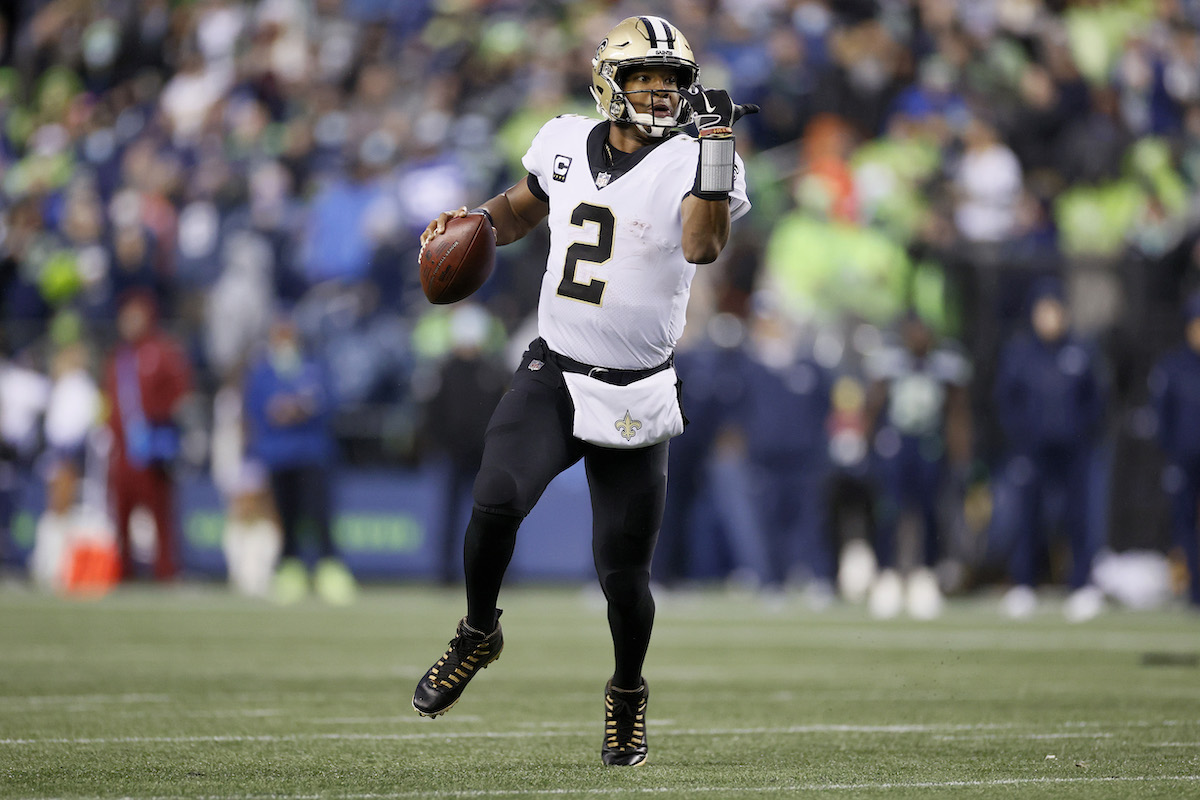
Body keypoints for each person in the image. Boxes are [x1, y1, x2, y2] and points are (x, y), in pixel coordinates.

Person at [410, 15, 753, 767]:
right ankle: (477, 631)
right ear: (609, 83)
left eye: (673, 82)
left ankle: (627, 694)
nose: (662, 95)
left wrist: (719, 147)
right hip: (556, 369)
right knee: (496, 498)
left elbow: (702, 243)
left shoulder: (700, 158)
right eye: (646, 79)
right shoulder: (564, 139)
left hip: (635, 390)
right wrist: (467, 224)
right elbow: (516, 211)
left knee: (623, 579)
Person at [994, 278, 1108, 621]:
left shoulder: (1082, 351)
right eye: (1043, 311)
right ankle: (1026, 583)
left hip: (1074, 449)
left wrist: (1083, 431)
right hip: (1032, 449)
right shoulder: (1020, 352)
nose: (1049, 318)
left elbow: (1097, 399)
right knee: (1028, 516)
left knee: (1079, 517)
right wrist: (1021, 434)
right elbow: (1006, 399)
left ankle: (1082, 585)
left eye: (1054, 310)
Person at [861, 312, 972, 620]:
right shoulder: (890, 364)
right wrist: (865, 446)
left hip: (928, 444)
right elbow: (873, 405)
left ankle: (926, 574)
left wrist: (961, 453)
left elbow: (957, 413)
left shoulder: (945, 366)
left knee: (930, 512)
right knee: (890, 512)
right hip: (896, 444)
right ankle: (886, 574)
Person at [242, 313, 356, 605]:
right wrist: (277, 412)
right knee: (286, 517)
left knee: (319, 514)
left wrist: (302, 408)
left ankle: (329, 570)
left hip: (312, 452)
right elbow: (255, 409)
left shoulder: (313, 365)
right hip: (278, 454)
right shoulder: (263, 370)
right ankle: (289, 571)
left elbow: (329, 402)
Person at [104, 290, 192, 581]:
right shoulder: (119, 355)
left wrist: (162, 424)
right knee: (121, 512)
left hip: (151, 447)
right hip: (122, 450)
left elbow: (181, 396)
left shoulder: (163, 351)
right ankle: (123, 571)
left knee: (160, 513)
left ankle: (166, 571)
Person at [1148, 291, 1200, 608]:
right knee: (1184, 527)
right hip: (1184, 458)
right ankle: (1194, 592)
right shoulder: (1172, 367)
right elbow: (1161, 416)